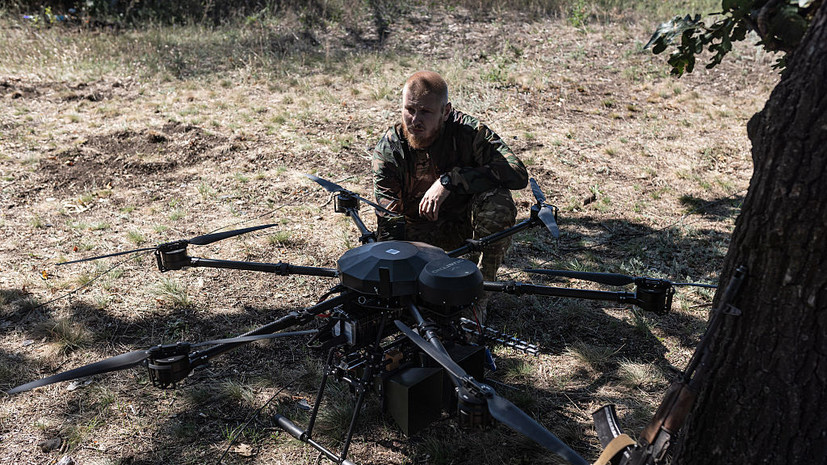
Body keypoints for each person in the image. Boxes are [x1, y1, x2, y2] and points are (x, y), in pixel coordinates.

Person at [371, 71, 528, 320]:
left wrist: (451, 180)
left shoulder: (467, 132)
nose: (414, 120)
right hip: (417, 240)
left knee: (498, 202)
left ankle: (478, 296)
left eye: (425, 112)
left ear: (445, 112)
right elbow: (390, 220)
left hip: (465, 233)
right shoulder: (390, 149)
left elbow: (517, 173)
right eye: (409, 110)